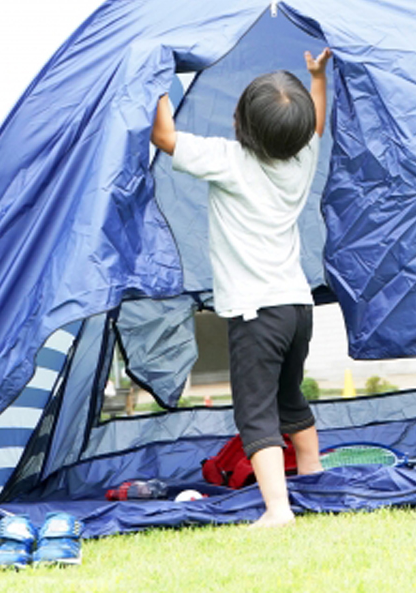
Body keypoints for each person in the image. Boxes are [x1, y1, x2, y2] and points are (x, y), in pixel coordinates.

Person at [151, 47, 332, 528]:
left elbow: (163, 136)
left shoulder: (229, 160)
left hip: (257, 314)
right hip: (298, 308)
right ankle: (315, 480)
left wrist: (156, 80)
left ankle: (278, 509)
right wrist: (318, 78)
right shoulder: (303, 158)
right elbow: (316, 124)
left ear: (240, 124)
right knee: (290, 398)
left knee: (256, 414)